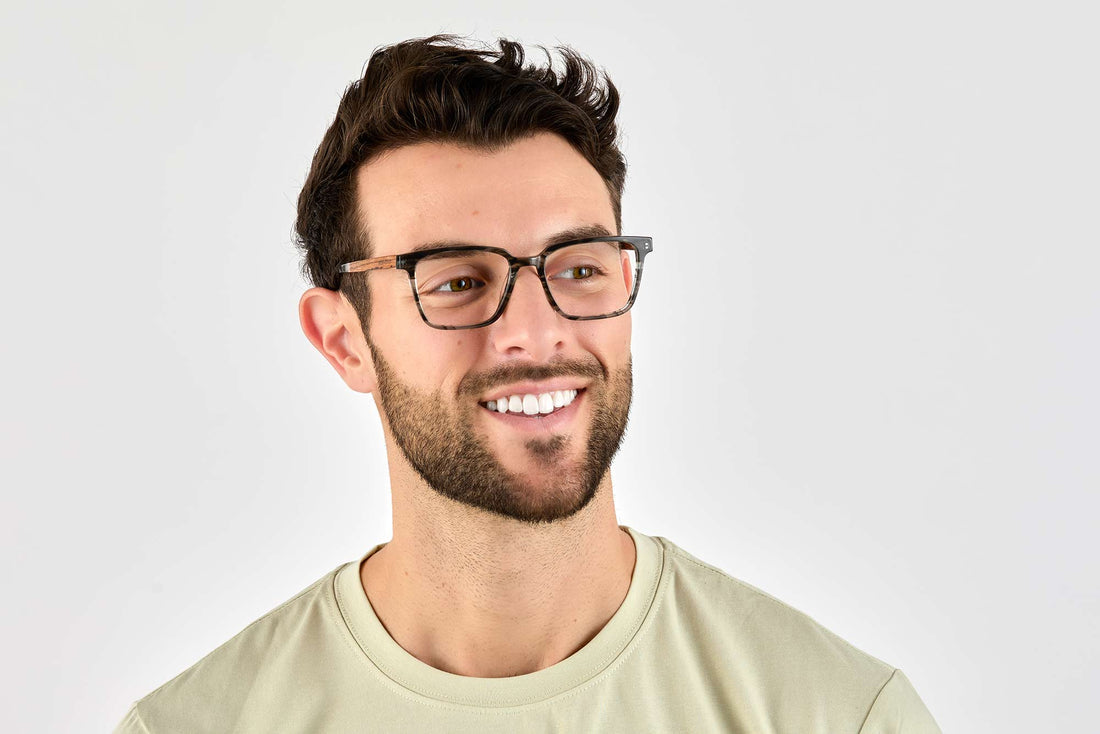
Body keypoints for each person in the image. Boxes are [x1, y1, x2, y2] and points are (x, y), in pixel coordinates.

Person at [115, 35, 941, 733]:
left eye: (578, 269)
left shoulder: (835, 716)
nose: (536, 332)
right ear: (344, 340)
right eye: (456, 282)